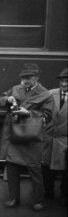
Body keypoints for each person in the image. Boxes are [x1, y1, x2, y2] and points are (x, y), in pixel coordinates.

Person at [0, 63, 54, 212]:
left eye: (28, 78)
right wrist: (6, 100)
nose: (25, 81)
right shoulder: (16, 89)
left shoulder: (45, 94)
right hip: (14, 134)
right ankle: (13, 199)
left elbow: (48, 117)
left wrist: (28, 113)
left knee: (34, 169)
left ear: (37, 77)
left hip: (32, 137)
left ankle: (38, 201)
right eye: (23, 77)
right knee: (12, 167)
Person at [42, 67, 67, 206]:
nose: (64, 84)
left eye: (67, 82)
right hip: (50, 137)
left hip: (65, 139)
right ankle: (48, 192)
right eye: (62, 81)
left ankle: (64, 195)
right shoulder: (50, 94)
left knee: (65, 171)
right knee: (47, 167)